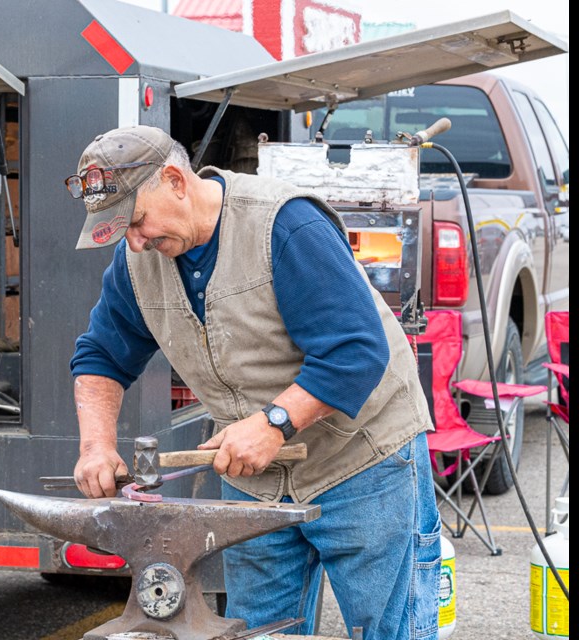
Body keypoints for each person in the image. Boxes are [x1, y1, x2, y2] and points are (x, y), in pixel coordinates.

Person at [67, 125, 441, 640]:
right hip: (254, 481)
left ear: (176, 180)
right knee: (258, 631)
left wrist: (274, 423)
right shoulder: (138, 262)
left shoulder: (283, 226)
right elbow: (100, 356)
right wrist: (96, 446)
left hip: (362, 459)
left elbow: (356, 350)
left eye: (136, 220)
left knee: (385, 628)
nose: (135, 241)